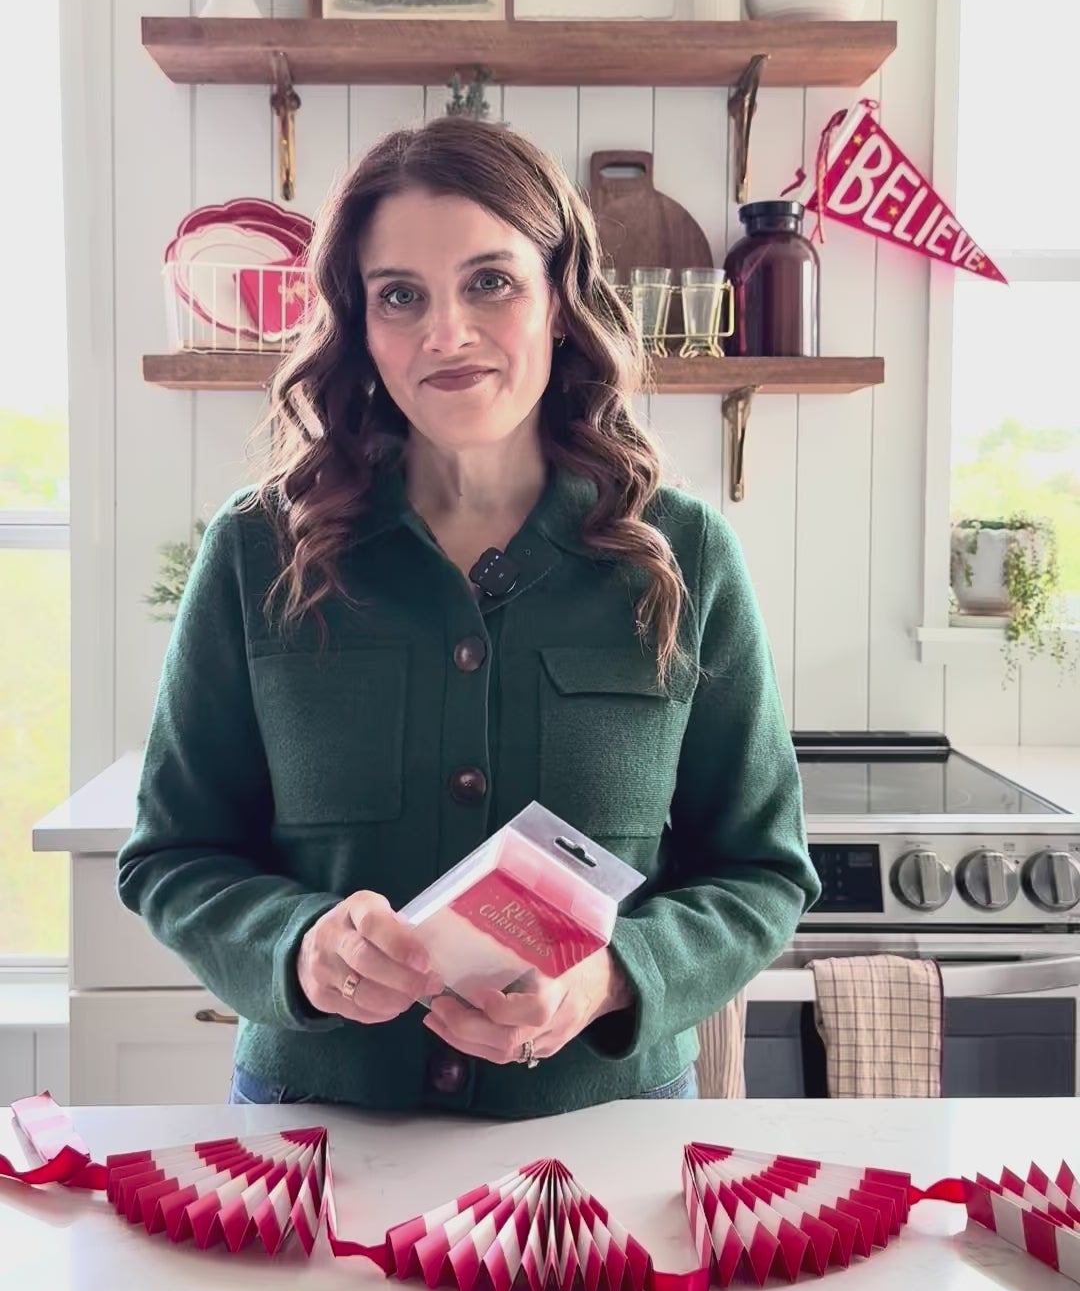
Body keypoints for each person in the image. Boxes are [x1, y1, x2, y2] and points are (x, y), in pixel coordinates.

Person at [117, 118, 819, 1115]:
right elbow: (172, 855)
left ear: (560, 301)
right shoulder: (257, 553)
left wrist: (612, 978)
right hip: (315, 1140)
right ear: (360, 323)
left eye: (490, 281)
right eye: (401, 296)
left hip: (602, 1142)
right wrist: (297, 947)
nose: (446, 334)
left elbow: (761, 871)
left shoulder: (684, 556)